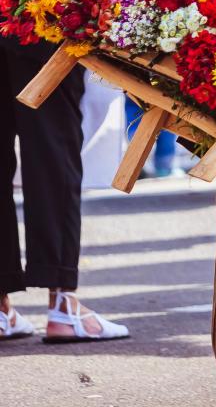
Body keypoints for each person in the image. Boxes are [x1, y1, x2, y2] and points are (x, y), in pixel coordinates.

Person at [0, 40, 129, 342]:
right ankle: (62, 306)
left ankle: (2, 308)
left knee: (49, 147)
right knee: (52, 147)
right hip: (34, 14)